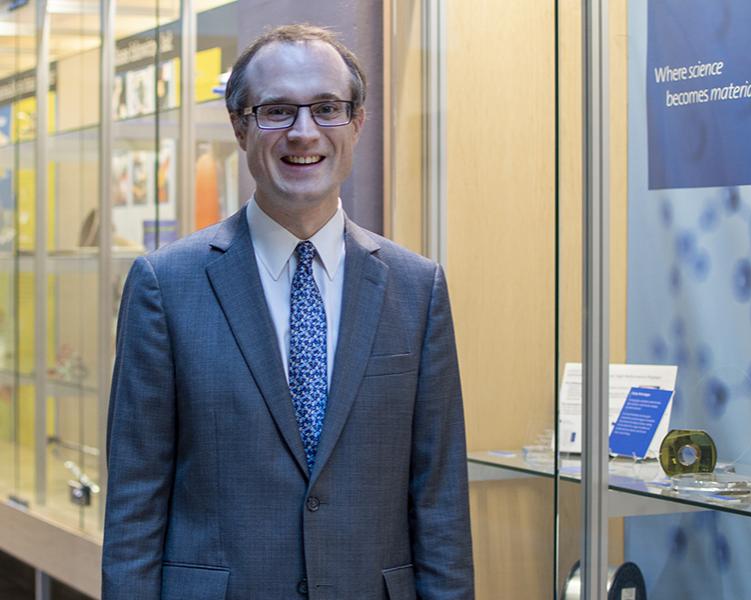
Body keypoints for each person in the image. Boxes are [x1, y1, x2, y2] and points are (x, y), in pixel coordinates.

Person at [102, 24, 474, 600]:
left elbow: (440, 502)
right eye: (276, 110)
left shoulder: (416, 288)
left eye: (327, 108)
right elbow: (134, 506)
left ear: (357, 122)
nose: (304, 133)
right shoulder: (165, 287)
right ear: (239, 126)